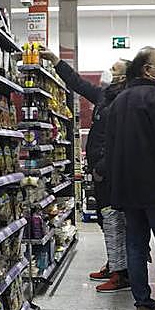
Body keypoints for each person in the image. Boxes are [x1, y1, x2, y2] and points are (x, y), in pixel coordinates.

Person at [101, 46, 155, 310]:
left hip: (127, 189)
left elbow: (109, 148)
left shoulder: (118, 102)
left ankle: (142, 307)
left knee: (135, 246)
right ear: (147, 70)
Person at [40, 49, 130, 292]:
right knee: (105, 219)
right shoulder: (104, 96)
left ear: (123, 77)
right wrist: (56, 61)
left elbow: (120, 141)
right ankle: (115, 264)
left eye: (114, 69)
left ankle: (122, 273)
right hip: (100, 172)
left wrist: (102, 167)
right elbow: (77, 83)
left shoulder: (124, 101)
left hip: (112, 172)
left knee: (114, 220)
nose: (108, 72)